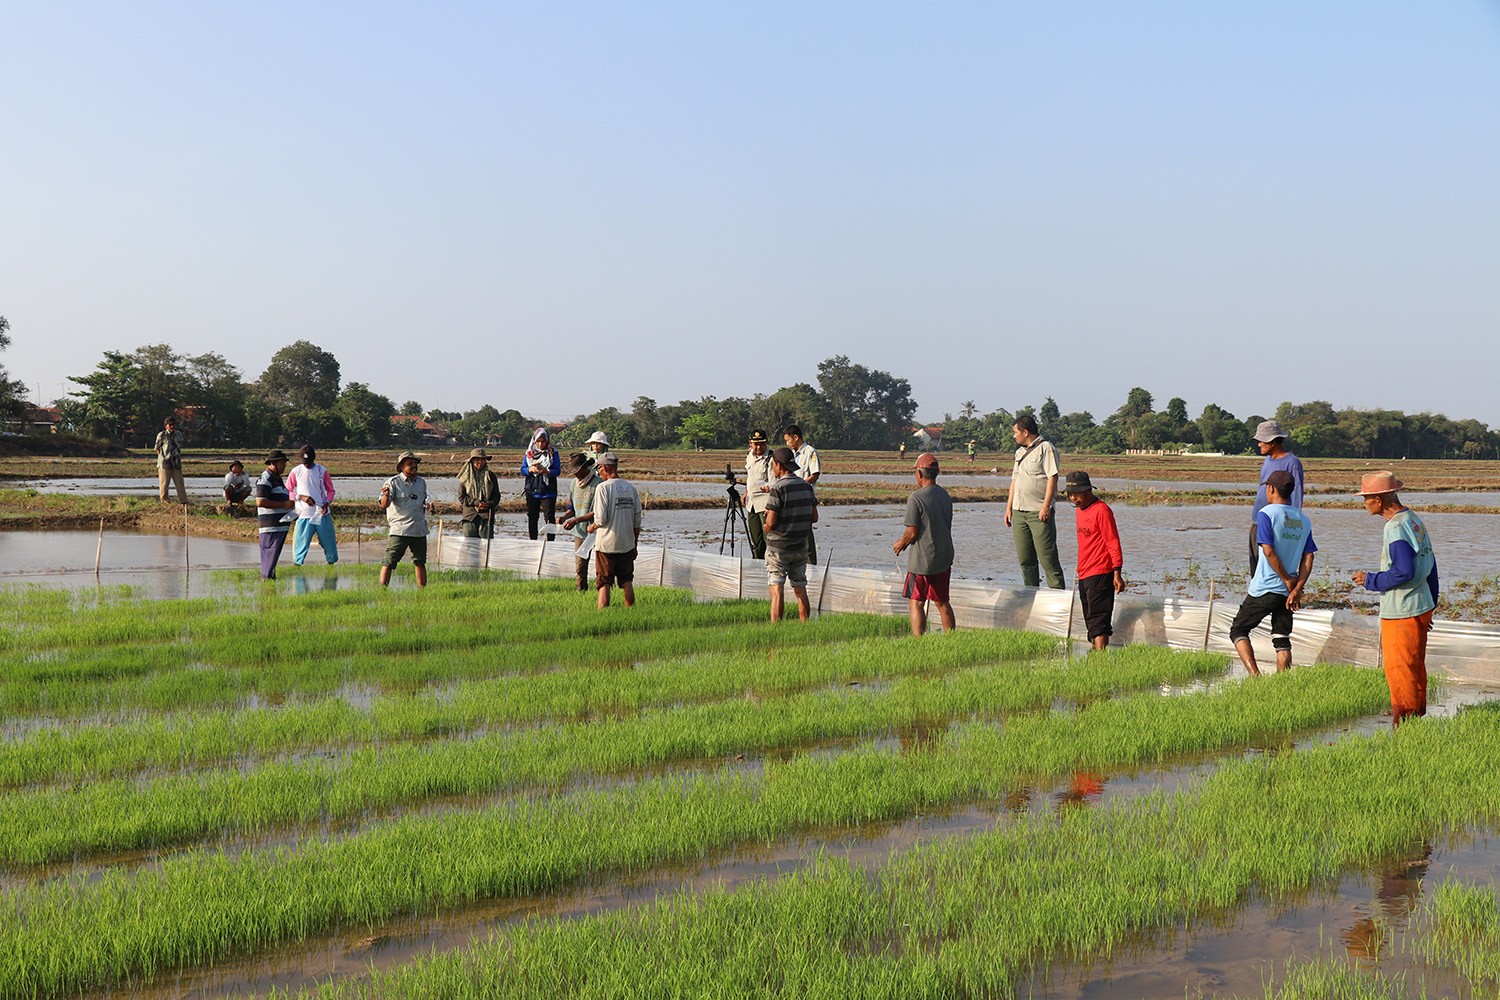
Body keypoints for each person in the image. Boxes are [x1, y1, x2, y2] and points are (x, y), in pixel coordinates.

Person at [1351, 471, 1439, 728]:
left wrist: (1370, 580)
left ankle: (1405, 725)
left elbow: (1403, 571)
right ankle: (1416, 720)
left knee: (1399, 671)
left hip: (1401, 611)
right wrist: (1430, 606)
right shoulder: (1414, 520)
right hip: (1420, 606)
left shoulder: (1395, 527)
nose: (1364, 503)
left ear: (1378, 500)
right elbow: (1431, 566)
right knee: (1415, 667)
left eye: (1366, 498)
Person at [1228, 471, 1316, 675]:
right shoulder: (1303, 520)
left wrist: (1285, 578)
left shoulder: (1266, 514)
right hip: (1288, 593)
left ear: (1271, 489)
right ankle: (1282, 682)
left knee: (1238, 630)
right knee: (1282, 637)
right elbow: (1309, 557)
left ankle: (1254, 675)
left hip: (1265, 588)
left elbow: (1267, 550)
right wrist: (1296, 588)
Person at [893, 452, 956, 637]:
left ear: (919, 474)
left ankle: (918, 640)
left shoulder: (916, 498)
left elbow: (911, 533)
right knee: (942, 601)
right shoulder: (945, 495)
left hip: (923, 559)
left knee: (916, 601)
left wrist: (900, 543)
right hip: (944, 556)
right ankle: (952, 638)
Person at [1064, 472, 1124, 652]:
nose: (1073, 498)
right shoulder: (1080, 510)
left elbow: (1112, 541)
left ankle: (1100, 660)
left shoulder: (1102, 510)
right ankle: (1097, 655)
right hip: (1085, 572)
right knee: (1090, 617)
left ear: (1089, 490)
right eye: (1070, 494)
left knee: (1099, 619)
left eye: (1078, 493)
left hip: (1101, 571)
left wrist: (1117, 572)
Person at [1004, 414, 1065, 589]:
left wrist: (1046, 506)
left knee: (1048, 560)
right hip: (1019, 512)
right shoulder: (1019, 453)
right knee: (1025, 560)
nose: (1014, 436)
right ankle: (1030, 598)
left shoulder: (1046, 448)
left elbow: (1052, 477)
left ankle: (1058, 601)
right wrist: (1008, 508)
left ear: (1025, 432)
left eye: (1015, 432)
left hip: (1038, 512)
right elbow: (1014, 481)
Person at [763, 446, 818, 622]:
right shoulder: (806, 486)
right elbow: (814, 517)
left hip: (778, 548)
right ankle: (805, 625)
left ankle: (775, 628)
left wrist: (766, 526)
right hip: (800, 546)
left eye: (773, 464)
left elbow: (771, 522)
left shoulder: (778, 488)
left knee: (776, 588)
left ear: (779, 465)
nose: (773, 468)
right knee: (800, 588)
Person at [1250, 419, 1305, 574]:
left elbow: (1296, 497)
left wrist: (1288, 526)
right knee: (1256, 567)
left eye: (1261, 441)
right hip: (1259, 521)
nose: (1259, 444)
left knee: (1273, 568)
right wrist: (1254, 521)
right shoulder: (1267, 461)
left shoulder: (1292, 463)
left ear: (1272, 441)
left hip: (1276, 524)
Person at [588, 452, 642, 609]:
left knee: (604, 580)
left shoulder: (603, 488)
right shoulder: (630, 488)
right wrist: (634, 543)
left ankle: (602, 615)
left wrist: (592, 527)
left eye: (598, 469)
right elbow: (637, 520)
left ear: (604, 467)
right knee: (626, 579)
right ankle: (630, 611)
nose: (598, 473)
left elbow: (600, 519)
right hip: (626, 543)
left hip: (606, 544)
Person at [379, 451, 431, 588]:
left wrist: (429, 505)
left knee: (420, 561)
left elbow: (424, 501)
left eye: (415, 463)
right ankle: (382, 590)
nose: (414, 466)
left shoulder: (421, 483)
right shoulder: (393, 482)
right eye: (410, 464)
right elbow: (384, 504)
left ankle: (422, 591)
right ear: (401, 466)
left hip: (419, 529)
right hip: (400, 529)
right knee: (389, 561)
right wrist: (385, 495)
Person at [285, 445, 338, 566]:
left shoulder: (322, 471)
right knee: (300, 545)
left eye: (309, 462)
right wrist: (301, 497)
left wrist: (327, 503)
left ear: (314, 459)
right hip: (303, 514)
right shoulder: (295, 471)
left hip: (321, 513)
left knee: (329, 544)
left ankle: (331, 567)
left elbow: (331, 491)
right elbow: (288, 490)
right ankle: (297, 567)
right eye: (304, 462)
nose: (307, 465)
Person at [559, 452, 603, 591]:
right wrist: (565, 517)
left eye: (577, 471)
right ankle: (581, 591)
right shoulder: (574, 484)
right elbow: (572, 507)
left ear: (585, 467)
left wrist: (576, 520)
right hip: (579, 532)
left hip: (597, 530)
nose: (575, 474)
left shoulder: (598, 485)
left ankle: (602, 589)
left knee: (601, 564)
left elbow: (598, 512)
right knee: (580, 566)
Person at [253, 450, 295, 580]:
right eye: (282, 463)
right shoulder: (265, 479)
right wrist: (284, 505)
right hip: (271, 528)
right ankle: (266, 584)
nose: (284, 466)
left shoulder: (277, 479)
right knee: (268, 562)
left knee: (272, 561)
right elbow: (260, 501)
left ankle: (269, 583)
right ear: (273, 463)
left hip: (280, 526)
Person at [782, 425, 820, 565]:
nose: (787, 443)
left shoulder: (810, 452)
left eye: (788, 440)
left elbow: (814, 474)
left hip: (804, 496)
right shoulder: (792, 454)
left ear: (796, 437)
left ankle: (811, 566)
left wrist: (800, 485)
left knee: (806, 534)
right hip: (792, 497)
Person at [521, 427, 561, 540]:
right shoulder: (529, 453)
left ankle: (550, 543)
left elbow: (557, 471)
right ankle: (532, 542)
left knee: (549, 518)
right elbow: (522, 469)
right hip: (532, 490)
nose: (540, 444)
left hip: (548, 490)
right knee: (532, 517)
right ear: (534, 441)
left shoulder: (553, 453)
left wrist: (547, 471)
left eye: (543, 441)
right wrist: (530, 470)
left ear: (547, 441)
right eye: (538, 441)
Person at [457, 448, 501, 539]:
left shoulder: (490, 476)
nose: (480, 462)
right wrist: (476, 503)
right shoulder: (465, 478)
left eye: (482, 460)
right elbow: (462, 497)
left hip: (486, 514)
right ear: (472, 461)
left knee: (486, 545)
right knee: (470, 544)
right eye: (477, 460)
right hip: (470, 515)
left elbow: (496, 496)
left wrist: (487, 504)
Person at [743, 430, 773, 560]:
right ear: (750, 443)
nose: (759, 447)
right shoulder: (750, 455)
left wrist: (768, 487)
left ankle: (771, 566)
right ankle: (757, 567)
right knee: (756, 539)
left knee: (768, 539)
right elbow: (750, 477)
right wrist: (746, 492)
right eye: (756, 444)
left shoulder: (771, 458)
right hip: (752, 504)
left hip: (765, 504)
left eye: (761, 444)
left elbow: (775, 482)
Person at [155, 416, 187, 503]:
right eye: (170, 425)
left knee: (180, 482)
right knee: (164, 483)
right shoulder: (162, 435)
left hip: (176, 461)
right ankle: (165, 501)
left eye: (173, 424)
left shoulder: (178, 434)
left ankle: (183, 501)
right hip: (165, 462)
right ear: (166, 426)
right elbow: (157, 448)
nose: (172, 426)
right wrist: (163, 458)